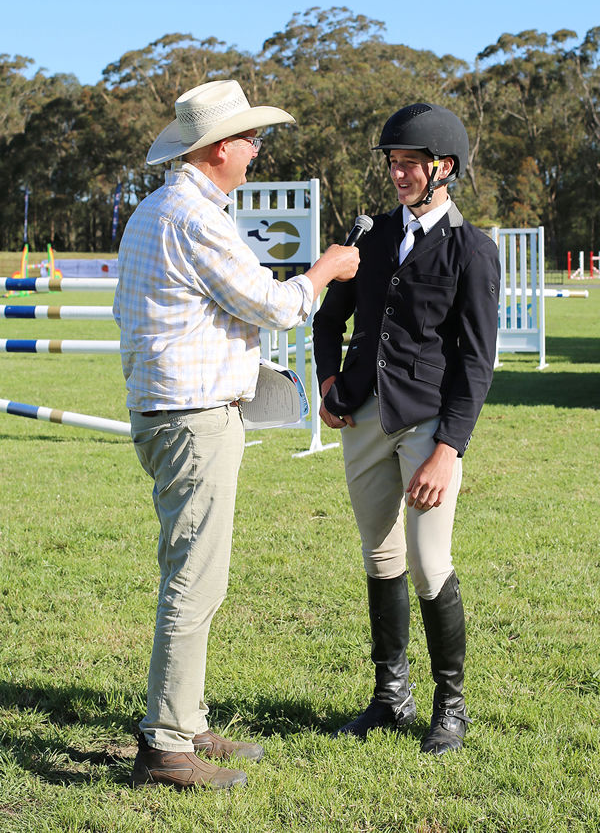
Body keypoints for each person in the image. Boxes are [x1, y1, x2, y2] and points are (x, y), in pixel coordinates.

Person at [113, 79, 359, 789]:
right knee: (195, 580)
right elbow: (274, 305)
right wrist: (328, 269)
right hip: (194, 419)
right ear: (220, 148)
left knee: (194, 573)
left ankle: (185, 722)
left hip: (170, 414)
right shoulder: (195, 217)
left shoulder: (160, 209)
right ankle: (166, 747)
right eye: (253, 140)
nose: (257, 152)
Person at [313, 102, 500, 756]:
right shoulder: (368, 236)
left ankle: (450, 706)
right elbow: (328, 317)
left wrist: (449, 450)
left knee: (428, 562)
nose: (398, 174)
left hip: (427, 427)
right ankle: (390, 698)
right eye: (393, 163)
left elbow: (477, 362)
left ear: (444, 168)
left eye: (410, 164)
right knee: (381, 557)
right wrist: (327, 381)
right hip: (361, 418)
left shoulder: (473, 251)